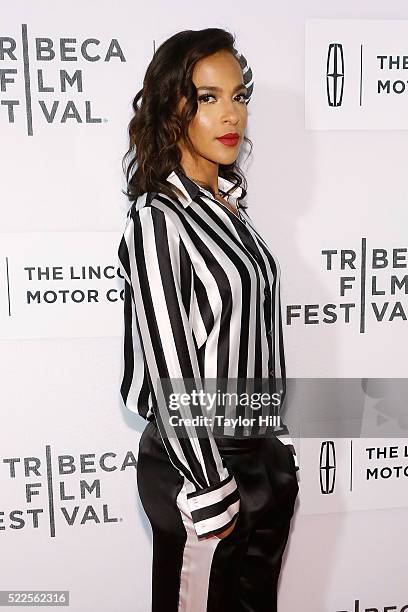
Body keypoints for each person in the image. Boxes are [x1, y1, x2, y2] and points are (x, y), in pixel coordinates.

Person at [118, 27, 299, 612]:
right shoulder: (158, 220)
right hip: (198, 466)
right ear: (175, 107)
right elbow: (169, 367)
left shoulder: (230, 210)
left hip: (257, 456)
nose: (231, 114)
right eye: (207, 97)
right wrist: (209, 484)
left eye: (239, 96)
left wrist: (275, 449)